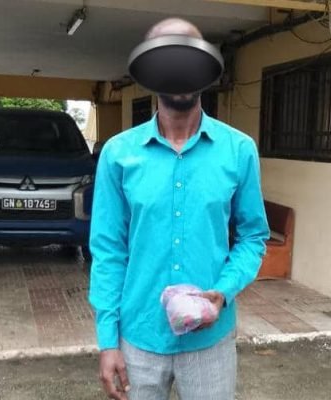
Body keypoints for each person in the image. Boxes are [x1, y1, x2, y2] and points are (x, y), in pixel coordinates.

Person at [88, 18, 270, 400]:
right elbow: (108, 250)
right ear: (149, 73)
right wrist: (107, 341)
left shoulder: (238, 151)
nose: (179, 73)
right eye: (167, 61)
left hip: (210, 343)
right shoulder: (118, 154)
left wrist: (222, 292)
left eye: (189, 59)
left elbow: (253, 237)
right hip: (139, 337)